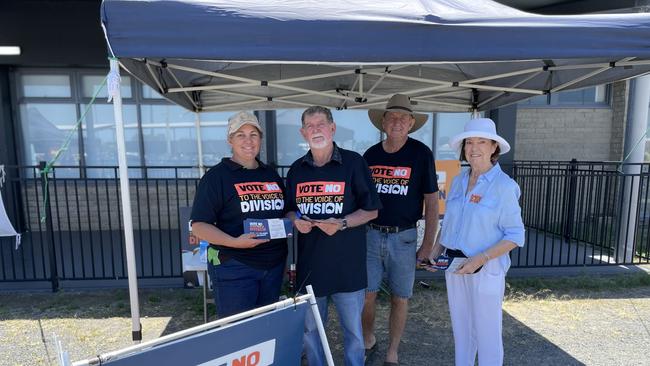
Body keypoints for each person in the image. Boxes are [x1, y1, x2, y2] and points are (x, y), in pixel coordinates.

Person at [286, 106, 381, 366]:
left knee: (354, 334)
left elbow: (371, 210)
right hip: (310, 269)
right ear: (303, 132)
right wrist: (296, 221)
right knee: (312, 333)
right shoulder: (296, 170)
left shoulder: (353, 162)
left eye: (321, 124)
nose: (316, 130)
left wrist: (342, 223)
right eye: (310, 126)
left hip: (348, 270)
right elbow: (289, 211)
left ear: (332, 128)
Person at [426, 117, 525, 366]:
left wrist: (480, 259)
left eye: (482, 141)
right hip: (455, 266)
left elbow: (515, 235)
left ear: (494, 148)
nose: (474, 148)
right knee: (462, 332)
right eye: (469, 142)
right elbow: (449, 224)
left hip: (485, 268)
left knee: (487, 335)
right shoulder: (459, 180)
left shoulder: (504, 187)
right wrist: (436, 252)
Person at [362, 94, 439, 366]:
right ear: (383, 122)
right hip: (370, 235)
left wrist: (428, 244)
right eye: (391, 117)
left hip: (404, 237)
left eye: (402, 118)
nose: (397, 122)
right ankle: (368, 339)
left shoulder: (421, 154)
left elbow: (431, 200)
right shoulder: (370, 156)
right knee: (367, 294)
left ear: (411, 123)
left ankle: (392, 351)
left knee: (400, 297)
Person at [190, 111, 287, 318]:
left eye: (253, 134)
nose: (248, 140)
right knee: (238, 333)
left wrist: (295, 221)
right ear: (230, 140)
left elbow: (285, 211)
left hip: (273, 266)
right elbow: (199, 226)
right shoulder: (216, 177)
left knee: (265, 328)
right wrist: (234, 242)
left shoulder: (270, 174)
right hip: (234, 265)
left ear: (260, 139)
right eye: (240, 135)